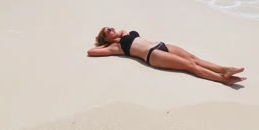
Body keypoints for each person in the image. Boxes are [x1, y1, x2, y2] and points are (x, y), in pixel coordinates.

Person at [87, 27, 246, 85]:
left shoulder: (124, 34)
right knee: (190, 66)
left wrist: (112, 35)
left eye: (110, 28)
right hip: (153, 55)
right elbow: (91, 52)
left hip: (161, 45)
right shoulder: (116, 47)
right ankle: (222, 79)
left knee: (193, 58)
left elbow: (122, 30)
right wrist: (106, 43)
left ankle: (226, 69)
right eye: (107, 31)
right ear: (105, 38)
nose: (111, 30)